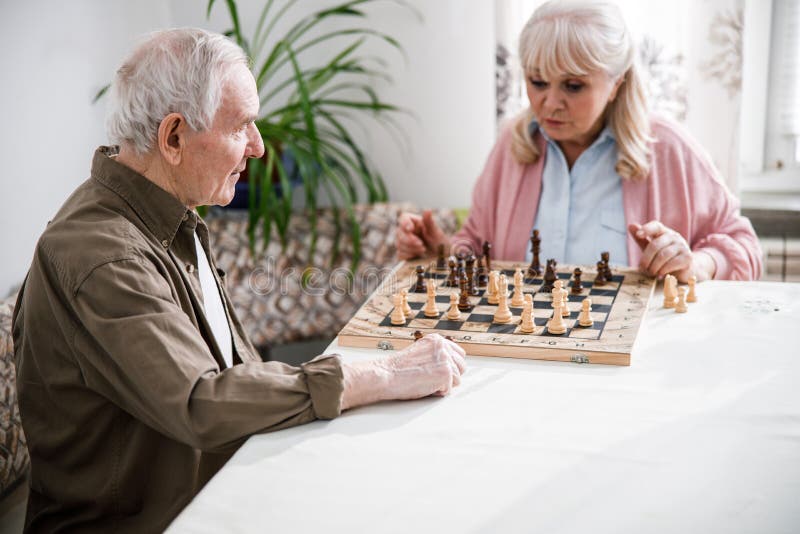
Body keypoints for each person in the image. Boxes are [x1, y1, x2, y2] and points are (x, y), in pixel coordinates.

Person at [12, 28, 466, 533]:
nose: (258, 147)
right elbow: (201, 403)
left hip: (219, 494)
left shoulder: (167, 213)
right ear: (174, 138)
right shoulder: (103, 256)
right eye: (241, 126)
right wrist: (378, 376)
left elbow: (230, 374)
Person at [397, 0, 762, 283]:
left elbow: (746, 249)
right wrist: (442, 251)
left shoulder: (668, 147)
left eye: (573, 86)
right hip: (524, 357)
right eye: (537, 82)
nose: (550, 103)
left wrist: (696, 263)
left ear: (616, 82)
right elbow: (479, 249)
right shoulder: (513, 144)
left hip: (634, 365)